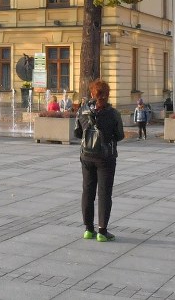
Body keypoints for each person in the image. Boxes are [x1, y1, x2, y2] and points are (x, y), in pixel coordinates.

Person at [74, 79, 124, 242]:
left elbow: (77, 132)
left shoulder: (82, 111)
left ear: (92, 94)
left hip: (86, 156)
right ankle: (102, 231)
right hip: (105, 157)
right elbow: (120, 135)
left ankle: (88, 229)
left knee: (87, 191)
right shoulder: (112, 114)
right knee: (104, 193)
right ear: (108, 95)